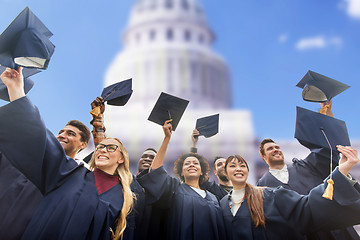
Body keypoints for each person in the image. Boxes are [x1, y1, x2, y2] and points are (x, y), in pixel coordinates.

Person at [0, 67, 139, 240]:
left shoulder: (127, 197)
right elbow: (41, 141)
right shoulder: (70, 172)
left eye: (111, 148)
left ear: (122, 158)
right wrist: (16, 89)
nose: (103, 149)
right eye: (100, 147)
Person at [257, 101, 359, 239]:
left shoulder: (306, 165)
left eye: (277, 147)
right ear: (263, 156)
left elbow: (326, 151)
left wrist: (325, 119)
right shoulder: (263, 186)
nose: (275, 149)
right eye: (270, 149)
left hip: (337, 229)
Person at [221, 151, 360, 240]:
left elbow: (308, 208)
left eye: (242, 166)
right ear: (225, 173)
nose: (238, 169)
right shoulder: (220, 205)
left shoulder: (269, 195)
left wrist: (340, 171)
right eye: (232, 166)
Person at [0, 117, 90, 239]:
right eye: (60, 132)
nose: (62, 135)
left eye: (70, 134)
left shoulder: (79, 178)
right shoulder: (31, 158)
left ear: (83, 144)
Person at [137, 120, 226, 240]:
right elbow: (156, 171)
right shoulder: (174, 189)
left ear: (201, 171)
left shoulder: (214, 198)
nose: (191, 165)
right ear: (182, 172)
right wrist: (167, 138)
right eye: (187, 163)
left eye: (195, 163)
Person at [191, 129, 232, 201]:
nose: (223, 165)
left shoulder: (244, 190)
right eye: (219, 164)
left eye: (226, 163)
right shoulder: (212, 190)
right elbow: (195, 171)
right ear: (215, 172)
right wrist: (194, 144)